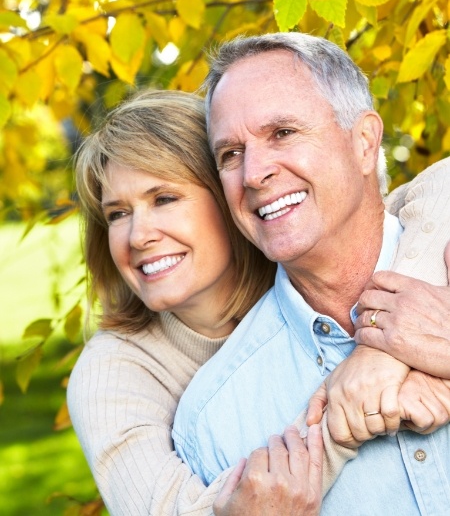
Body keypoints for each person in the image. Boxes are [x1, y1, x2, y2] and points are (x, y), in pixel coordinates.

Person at [172, 33, 450, 513]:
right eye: (230, 154)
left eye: (283, 132)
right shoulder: (213, 421)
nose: (254, 173)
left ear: (364, 142)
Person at [67, 88, 325, 516]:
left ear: (230, 196)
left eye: (163, 199)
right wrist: (357, 399)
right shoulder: (110, 374)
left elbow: (424, 193)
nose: (138, 236)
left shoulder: (301, 271)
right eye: (118, 213)